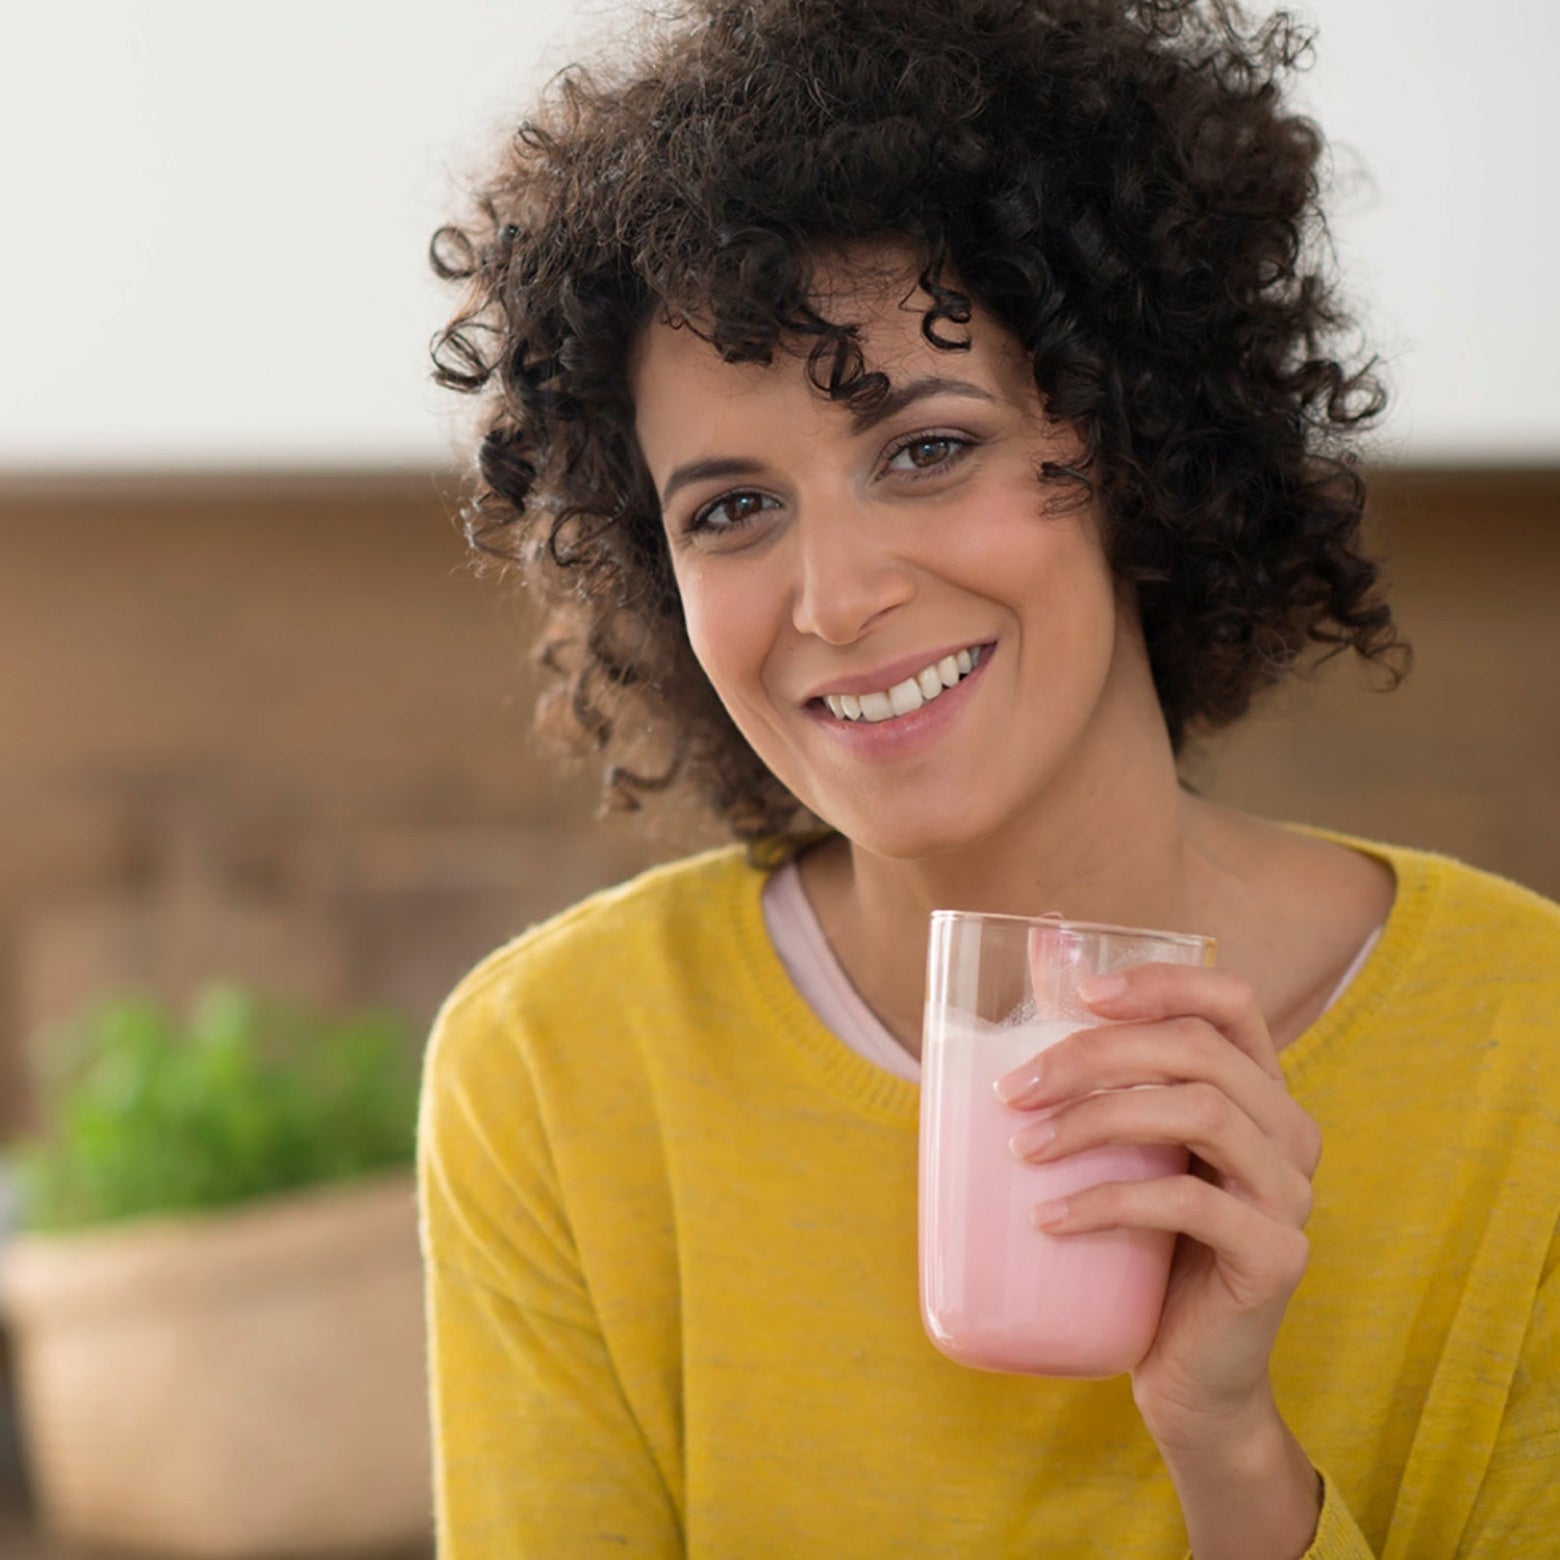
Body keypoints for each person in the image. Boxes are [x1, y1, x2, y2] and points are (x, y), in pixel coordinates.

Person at [417, 2, 1560, 1555]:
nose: (832, 597)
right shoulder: (558, 1075)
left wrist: (1229, 1452)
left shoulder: (1525, 1055)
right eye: (733, 507)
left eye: (925, 450)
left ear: (1144, 439)